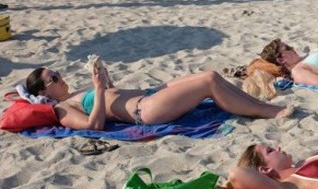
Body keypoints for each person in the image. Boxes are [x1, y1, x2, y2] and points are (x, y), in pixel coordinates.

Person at [24, 66, 293, 130]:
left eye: (57, 73)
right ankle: (267, 112)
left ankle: (260, 105)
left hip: (148, 94)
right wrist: (98, 88)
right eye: (53, 79)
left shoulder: (74, 94)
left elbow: (111, 98)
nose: (60, 78)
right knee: (208, 83)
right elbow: (94, 126)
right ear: (43, 93)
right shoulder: (63, 108)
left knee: (210, 74)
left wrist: (105, 82)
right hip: (144, 110)